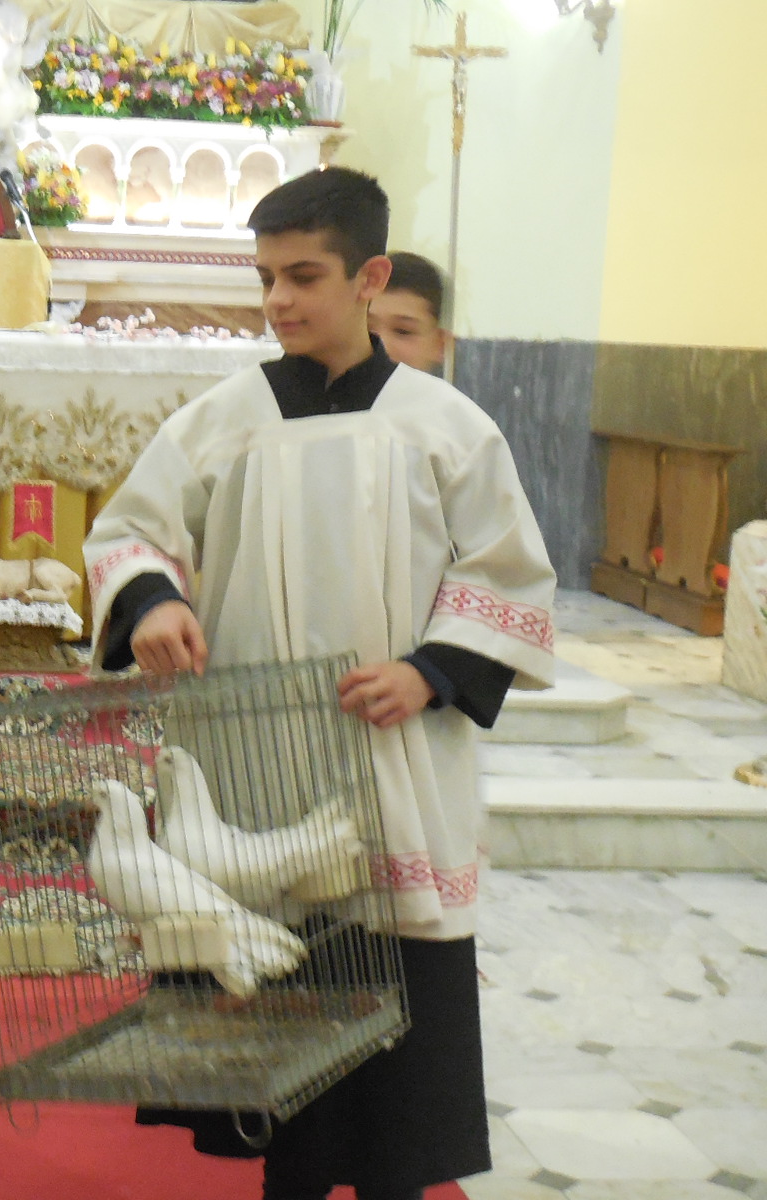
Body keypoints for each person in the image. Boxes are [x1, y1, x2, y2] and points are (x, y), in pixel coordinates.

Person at [83, 168, 556, 1200]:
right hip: (256, 764)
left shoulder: (445, 426)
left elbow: (506, 569)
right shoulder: (223, 418)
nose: (280, 301)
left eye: (303, 276)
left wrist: (431, 671)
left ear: (368, 275)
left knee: (393, 1009)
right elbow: (126, 530)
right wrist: (152, 602)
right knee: (278, 993)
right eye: (265, 279)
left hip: (394, 756)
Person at [368, 250, 451, 375]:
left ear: (440, 345)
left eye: (403, 331)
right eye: (365, 328)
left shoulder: (448, 395)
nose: (382, 346)